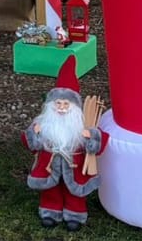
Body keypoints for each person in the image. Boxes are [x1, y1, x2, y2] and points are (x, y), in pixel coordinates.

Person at [23, 60, 107, 230]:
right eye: (58, 104)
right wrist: (34, 133)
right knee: (50, 189)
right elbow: (31, 144)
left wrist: (91, 135)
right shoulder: (42, 124)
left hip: (74, 168)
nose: (61, 108)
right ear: (51, 105)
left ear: (74, 107)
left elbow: (100, 143)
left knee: (74, 191)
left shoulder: (81, 126)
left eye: (66, 104)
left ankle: (74, 215)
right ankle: (50, 212)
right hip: (48, 166)